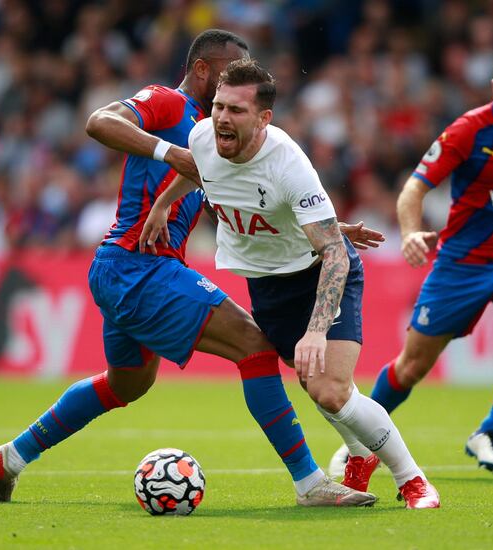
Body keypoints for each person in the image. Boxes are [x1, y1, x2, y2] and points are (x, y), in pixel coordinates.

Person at [0, 29, 377, 508]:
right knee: (254, 346)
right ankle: (310, 484)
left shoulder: (214, 136)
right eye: (226, 76)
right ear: (203, 70)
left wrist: (323, 229)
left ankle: (9, 459)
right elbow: (99, 121)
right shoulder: (169, 103)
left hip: (127, 271)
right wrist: (169, 152)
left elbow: (240, 207)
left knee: (126, 384)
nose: (230, 95)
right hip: (138, 267)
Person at [141, 59, 440, 509]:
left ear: (264, 118)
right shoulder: (203, 136)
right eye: (219, 106)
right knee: (319, 386)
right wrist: (164, 203)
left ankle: (412, 479)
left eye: (236, 111)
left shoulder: (288, 164)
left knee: (330, 389)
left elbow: (335, 253)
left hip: (320, 273)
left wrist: (317, 330)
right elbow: (199, 169)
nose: (222, 117)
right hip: (267, 287)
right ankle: (361, 454)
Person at [327, 47, 493, 476]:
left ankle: (488, 431)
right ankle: (360, 441)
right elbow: (413, 190)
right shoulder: (468, 131)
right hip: (460, 265)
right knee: (411, 367)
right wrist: (411, 232)